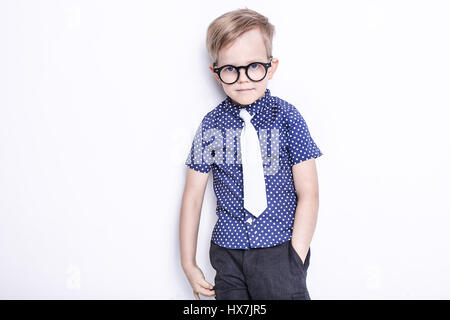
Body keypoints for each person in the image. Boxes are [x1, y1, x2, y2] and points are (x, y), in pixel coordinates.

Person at [179, 8, 323, 300]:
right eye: (230, 69)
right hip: (227, 255)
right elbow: (193, 196)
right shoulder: (211, 125)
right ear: (215, 73)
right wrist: (188, 264)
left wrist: (296, 254)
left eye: (254, 66)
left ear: (271, 67)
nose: (243, 79)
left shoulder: (287, 117)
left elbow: (309, 191)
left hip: (280, 253)